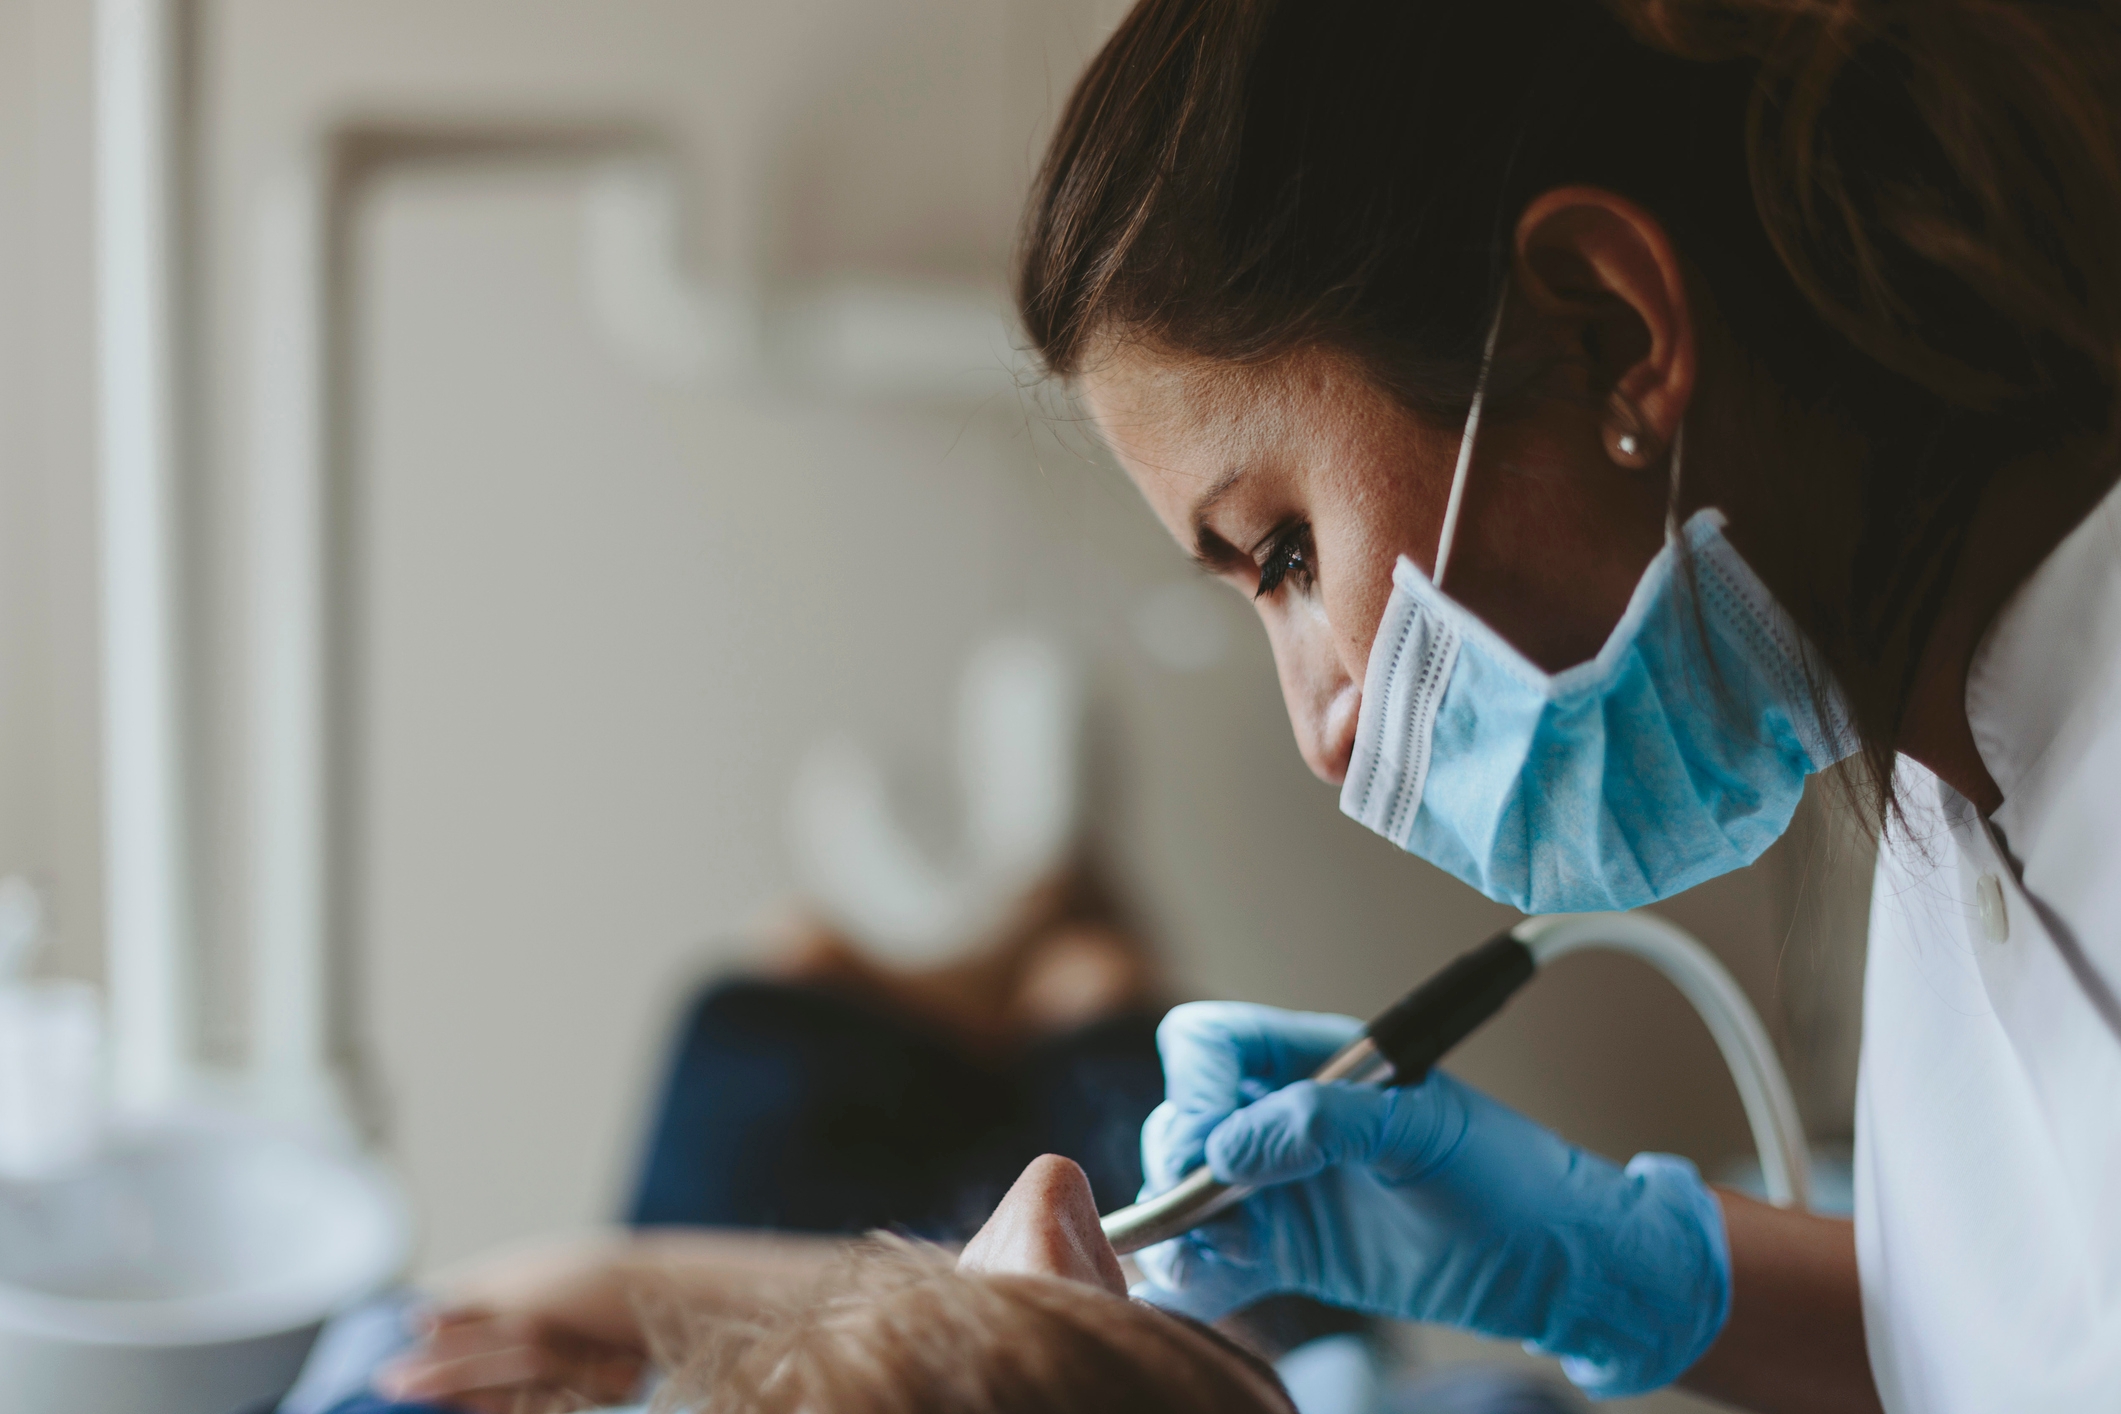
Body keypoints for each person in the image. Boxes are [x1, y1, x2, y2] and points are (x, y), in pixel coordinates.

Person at [1014, 2, 2121, 1412]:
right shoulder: (1942, 780)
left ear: (1608, 334)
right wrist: (1618, 1267)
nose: (1322, 726)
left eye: (1285, 554)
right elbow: (2027, 1337)